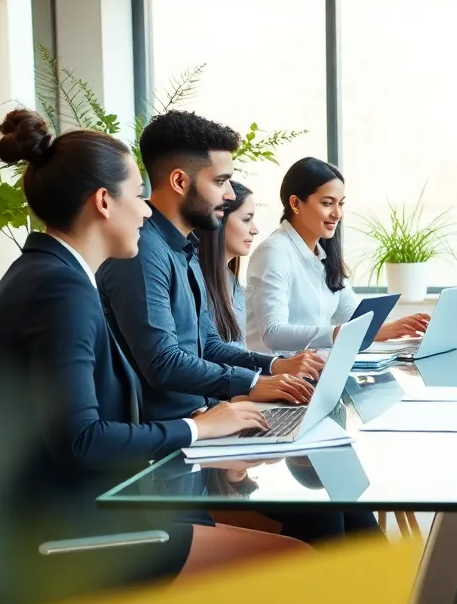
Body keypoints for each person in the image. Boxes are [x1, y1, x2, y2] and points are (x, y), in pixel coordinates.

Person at [0, 109, 309, 604]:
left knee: (295, 535)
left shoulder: (50, 274)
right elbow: (81, 442)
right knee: (298, 562)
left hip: (81, 515)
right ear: (104, 202)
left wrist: (211, 436)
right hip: (62, 548)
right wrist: (198, 430)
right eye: (137, 197)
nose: (148, 213)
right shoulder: (59, 290)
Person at [98, 110, 323, 424]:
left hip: (202, 418)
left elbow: (210, 345)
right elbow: (164, 363)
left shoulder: (186, 248)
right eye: (221, 181)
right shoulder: (142, 251)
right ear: (179, 181)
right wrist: (253, 384)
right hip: (170, 439)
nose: (229, 195)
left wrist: (272, 369)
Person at [245, 157, 430, 352]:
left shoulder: (324, 255)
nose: (338, 213)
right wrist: (339, 333)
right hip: (278, 375)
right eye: (327, 203)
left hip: (318, 368)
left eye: (340, 204)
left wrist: (396, 328)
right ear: (296, 204)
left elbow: (352, 317)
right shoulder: (273, 253)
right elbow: (274, 334)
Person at [195, 180, 258, 350]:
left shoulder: (231, 281)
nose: (255, 230)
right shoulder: (197, 281)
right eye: (246, 219)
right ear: (219, 219)